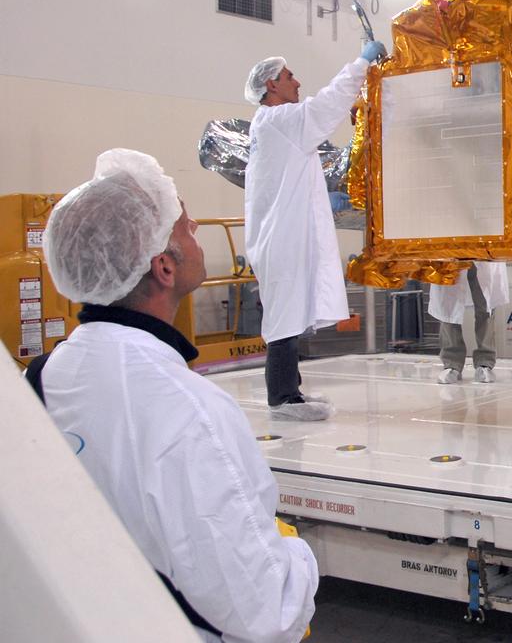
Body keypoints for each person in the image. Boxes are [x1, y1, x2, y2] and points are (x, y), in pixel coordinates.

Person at [34, 149, 318, 642]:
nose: (198, 233)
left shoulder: (40, 381)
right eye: (187, 227)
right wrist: (295, 553)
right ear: (164, 268)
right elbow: (266, 613)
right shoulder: (189, 413)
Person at [244, 42, 384, 420]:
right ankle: (283, 398)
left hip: (283, 238)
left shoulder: (272, 126)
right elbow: (327, 105)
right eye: (289, 76)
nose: (297, 81)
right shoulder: (279, 121)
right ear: (272, 85)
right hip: (282, 240)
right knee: (284, 319)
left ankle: (291, 391)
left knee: (288, 315)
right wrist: (361, 64)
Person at [431, 261, 509, 384]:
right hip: (451, 249)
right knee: (448, 306)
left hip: (481, 251)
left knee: (485, 304)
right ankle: (451, 364)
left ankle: (485, 363)